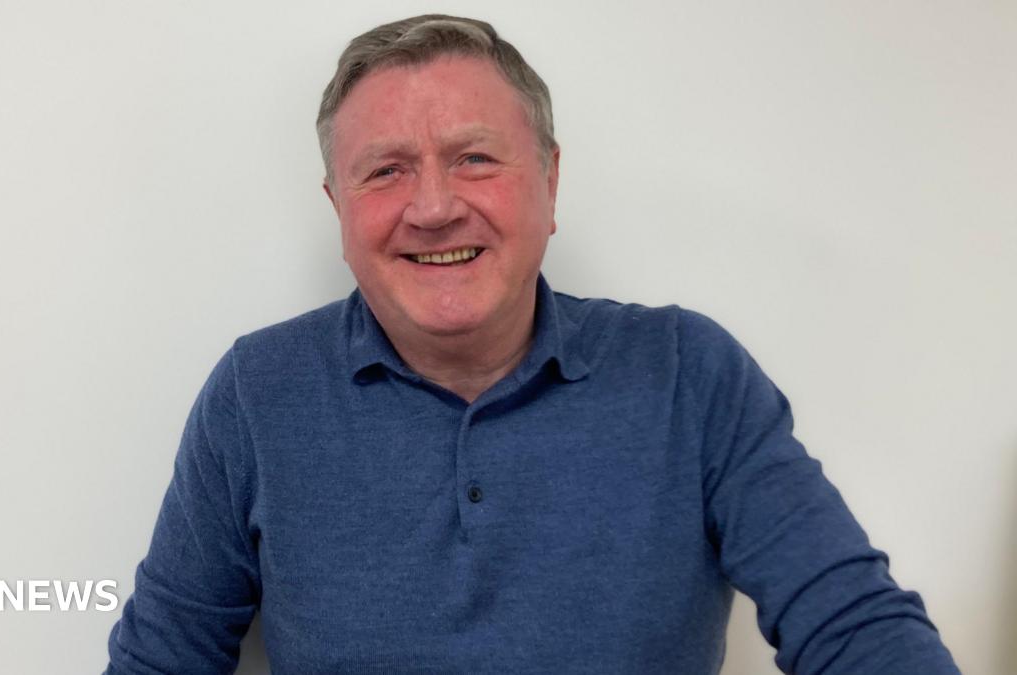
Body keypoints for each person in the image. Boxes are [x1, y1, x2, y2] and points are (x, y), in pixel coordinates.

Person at [105, 14, 959, 674]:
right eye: (386, 170)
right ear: (339, 209)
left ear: (549, 182)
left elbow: (853, 623)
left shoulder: (689, 375)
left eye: (474, 158)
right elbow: (160, 656)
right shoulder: (258, 392)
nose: (433, 206)